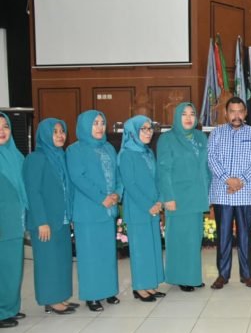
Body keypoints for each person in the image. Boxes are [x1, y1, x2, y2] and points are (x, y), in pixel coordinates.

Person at [67, 110, 122, 311]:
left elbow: (118, 174)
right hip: (88, 211)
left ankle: (108, 290)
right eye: (95, 123)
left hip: (108, 210)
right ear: (84, 126)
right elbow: (78, 178)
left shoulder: (109, 148)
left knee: (107, 254)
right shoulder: (74, 150)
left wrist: (117, 193)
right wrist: (101, 198)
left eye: (102, 123)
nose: (99, 127)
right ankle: (92, 295)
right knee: (90, 255)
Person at [208, 97, 251, 290]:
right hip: (222, 192)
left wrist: (240, 181)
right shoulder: (216, 133)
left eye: (240, 111)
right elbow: (211, 158)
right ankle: (222, 275)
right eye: (232, 111)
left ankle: (246, 275)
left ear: (245, 113)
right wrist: (228, 179)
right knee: (223, 235)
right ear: (226, 113)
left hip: (246, 192)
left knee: (245, 236)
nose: (237, 115)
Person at [23, 118, 77, 315]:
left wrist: (70, 214)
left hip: (61, 219)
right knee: (48, 261)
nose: (60, 135)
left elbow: (66, 189)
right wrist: (41, 222)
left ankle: (60, 297)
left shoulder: (61, 156)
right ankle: (50, 300)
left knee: (62, 260)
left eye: (62, 131)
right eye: (55, 132)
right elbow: (33, 192)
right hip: (45, 221)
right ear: (45, 134)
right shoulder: (36, 158)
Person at [157, 102, 210, 292]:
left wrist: (208, 191)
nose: (188, 118)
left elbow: (206, 167)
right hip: (178, 197)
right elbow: (163, 171)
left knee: (193, 240)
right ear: (176, 117)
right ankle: (180, 277)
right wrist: (168, 197)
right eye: (184, 114)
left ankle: (192, 276)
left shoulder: (200, 137)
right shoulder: (167, 139)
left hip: (197, 195)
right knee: (178, 239)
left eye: (192, 114)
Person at [118, 116, 165, 302]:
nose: (148, 132)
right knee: (140, 249)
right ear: (132, 132)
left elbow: (157, 178)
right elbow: (130, 185)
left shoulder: (148, 152)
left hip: (153, 207)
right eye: (143, 128)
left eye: (150, 128)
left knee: (152, 248)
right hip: (138, 209)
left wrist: (159, 201)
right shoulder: (126, 154)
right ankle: (139, 287)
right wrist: (149, 206)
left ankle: (150, 284)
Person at [0, 112, 27, 328]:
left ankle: (10, 307)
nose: (2, 131)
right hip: (2, 222)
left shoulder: (17, 156)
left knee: (13, 267)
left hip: (15, 221)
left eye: (5, 126)